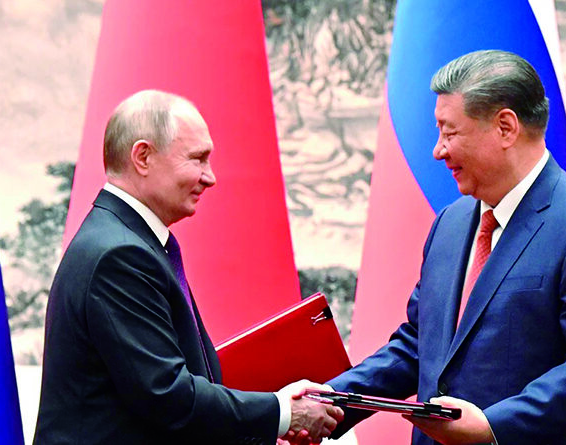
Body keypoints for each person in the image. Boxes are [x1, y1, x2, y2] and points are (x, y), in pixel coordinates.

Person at [327, 50, 566, 444]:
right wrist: (330, 401)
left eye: (450, 133)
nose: (438, 150)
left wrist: (492, 427)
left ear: (505, 127)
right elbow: (419, 345)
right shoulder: (450, 223)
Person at [34, 90, 343, 445]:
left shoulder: (127, 240)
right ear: (143, 157)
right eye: (197, 159)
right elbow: (167, 397)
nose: (210, 177)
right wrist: (282, 413)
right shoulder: (120, 255)